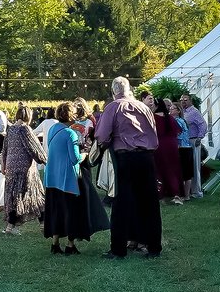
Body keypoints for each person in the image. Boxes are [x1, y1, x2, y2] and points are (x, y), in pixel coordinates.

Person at [92, 76, 163, 259]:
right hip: (147, 157)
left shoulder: (113, 107)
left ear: (113, 91)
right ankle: (153, 247)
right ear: (129, 88)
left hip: (126, 158)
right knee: (149, 203)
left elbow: (102, 136)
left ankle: (118, 249)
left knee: (122, 203)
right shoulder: (144, 107)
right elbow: (153, 132)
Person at [0, 104, 45, 233]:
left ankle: (10, 227)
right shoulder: (25, 129)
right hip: (25, 169)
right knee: (37, 195)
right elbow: (35, 149)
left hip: (11, 167)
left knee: (13, 198)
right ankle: (43, 224)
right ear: (29, 116)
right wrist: (45, 160)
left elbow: (5, 149)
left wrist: (4, 165)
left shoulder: (11, 129)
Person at [40, 103, 86, 253]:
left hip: (52, 177)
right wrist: (84, 154)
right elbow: (74, 158)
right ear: (71, 116)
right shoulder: (70, 133)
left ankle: (55, 243)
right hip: (67, 179)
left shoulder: (53, 129)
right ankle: (70, 245)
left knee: (56, 211)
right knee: (70, 212)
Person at [153, 94, 187, 203]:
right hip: (172, 145)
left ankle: (161, 194)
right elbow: (178, 131)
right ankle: (176, 194)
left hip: (159, 145)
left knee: (159, 169)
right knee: (173, 169)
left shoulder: (153, 117)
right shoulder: (169, 118)